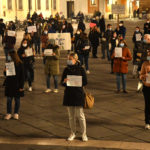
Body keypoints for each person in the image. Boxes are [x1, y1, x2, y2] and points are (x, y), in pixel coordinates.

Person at [61, 53, 88, 142]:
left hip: (78, 94)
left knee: (80, 115)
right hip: (69, 94)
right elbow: (62, 82)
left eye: (71, 59)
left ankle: (84, 134)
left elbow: (85, 81)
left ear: (75, 60)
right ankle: (73, 133)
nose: (69, 60)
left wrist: (77, 82)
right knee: (71, 116)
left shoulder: (81, 69)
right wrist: (64, 81)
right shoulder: (66, 69)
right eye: (68, 58)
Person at [4, 50, 24, 120]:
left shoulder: (20, 64)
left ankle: (16, 113)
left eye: (9, 55)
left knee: (17, 99)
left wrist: (21, 86)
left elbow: (22, 76)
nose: (8, 56)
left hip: (17, 85)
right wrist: (5, 71)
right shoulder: (8, 63)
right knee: (9, 99)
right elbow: (6, 75)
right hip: (9, 84)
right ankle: (9, 113)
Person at [140, 50, 150, 129]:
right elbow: (140, 75)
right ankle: (147, 122)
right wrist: (144, 76)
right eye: (148, 54)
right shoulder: (145, 64)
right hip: (147, 87)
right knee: (147, 105)